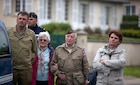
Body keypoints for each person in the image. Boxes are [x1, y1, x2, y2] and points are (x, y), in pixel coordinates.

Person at [7, 11, 37, 85]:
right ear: (17, 19)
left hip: (26, 69)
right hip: (11, 68)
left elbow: (34, 52)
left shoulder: (31, 34)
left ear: (27, 21)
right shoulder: (8, 32)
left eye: (24, 19)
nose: (21, 20)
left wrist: (28, 62)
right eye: (20, 18)